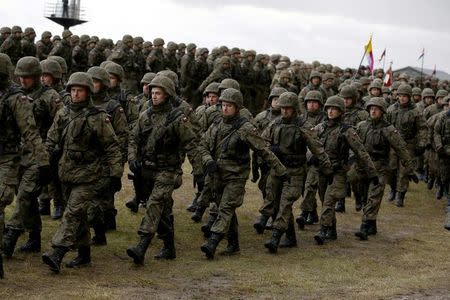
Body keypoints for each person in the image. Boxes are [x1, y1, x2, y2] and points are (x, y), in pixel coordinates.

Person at [42, 72, 123, 274]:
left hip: (88, 176)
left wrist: (115, 174)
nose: (76, 94)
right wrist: (43, 164)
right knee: (79, 217)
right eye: (73, 90)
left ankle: (57, 252)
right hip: (65, 174)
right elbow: (51, 140)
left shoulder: (98, 118)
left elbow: (112, 147)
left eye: (80, 90)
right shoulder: (63, 113)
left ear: (88, 92)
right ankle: (85, 255)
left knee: (72, 213)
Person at [199, 88, 288, 259]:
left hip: (236, 176)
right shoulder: (216, 124)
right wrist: (208, 160)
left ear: (237, 108)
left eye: (229, 106)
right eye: (223, 105)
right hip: (217, 174)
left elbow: (263, 150)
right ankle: (233, 244)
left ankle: (213, 242)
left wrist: (280, 169)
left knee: (225, 208)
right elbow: (202, 145)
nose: (225, 109)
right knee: (226, 209)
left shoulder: (246, 128)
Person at [126, 75, 199, 265]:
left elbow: (191, 143)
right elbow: (134, 139)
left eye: (158, 93)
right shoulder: (146, 115)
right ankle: (169, 247)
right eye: (152, 93)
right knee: (163, 211)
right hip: (148, 170)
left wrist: (199, 169)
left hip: (168, 171)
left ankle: (141, 245)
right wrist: (133, 158)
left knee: (154, 204)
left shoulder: (177, 118)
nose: (154, 96)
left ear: (167, 95)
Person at [260, 92, 331, 253]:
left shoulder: (302, 126)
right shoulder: (275, 123)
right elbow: (262, 141)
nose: (285, 111)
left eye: (288, 108)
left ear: (294, 109)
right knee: (277, 205)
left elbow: (317, 148)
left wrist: (327, 168)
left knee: (285, 203)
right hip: (278, 170)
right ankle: (290, 237)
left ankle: (275, 237)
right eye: (283, 108)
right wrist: (270, 151)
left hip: (296, 171)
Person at [0, 53, 49, 279]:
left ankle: (7, 241)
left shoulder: (17, 98)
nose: (23, 80)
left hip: (16, 157)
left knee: (14, 199)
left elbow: (31, 132)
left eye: (27, 77)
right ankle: (30, 238)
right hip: (11, 155)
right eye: (20, 76)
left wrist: (44, 161)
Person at [313, 96, 376, 245]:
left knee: (329, 200)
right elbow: (310, 143)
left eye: (334, 109)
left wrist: (372, 172)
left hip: (338, 172)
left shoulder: (347, 131)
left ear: (341, 111)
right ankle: (332, 229)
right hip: (322, 171)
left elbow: (361, 152)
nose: (330, 111)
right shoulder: (320, 128)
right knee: (324, 200)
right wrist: (311, 157)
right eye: (329, 108)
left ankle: (323, 229)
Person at [354, 98, 414, 240]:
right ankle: (372, 224)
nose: (373, 111)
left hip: (380, 167)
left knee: (373, 197)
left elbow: (401, 148)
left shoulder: (388, 129)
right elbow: (354, 145)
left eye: (377, 108)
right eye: (371, 108)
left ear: (382, 111)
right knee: (363, 195)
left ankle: (364, 225)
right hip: (363, 167)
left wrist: (410, 168)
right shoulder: (362, 126)